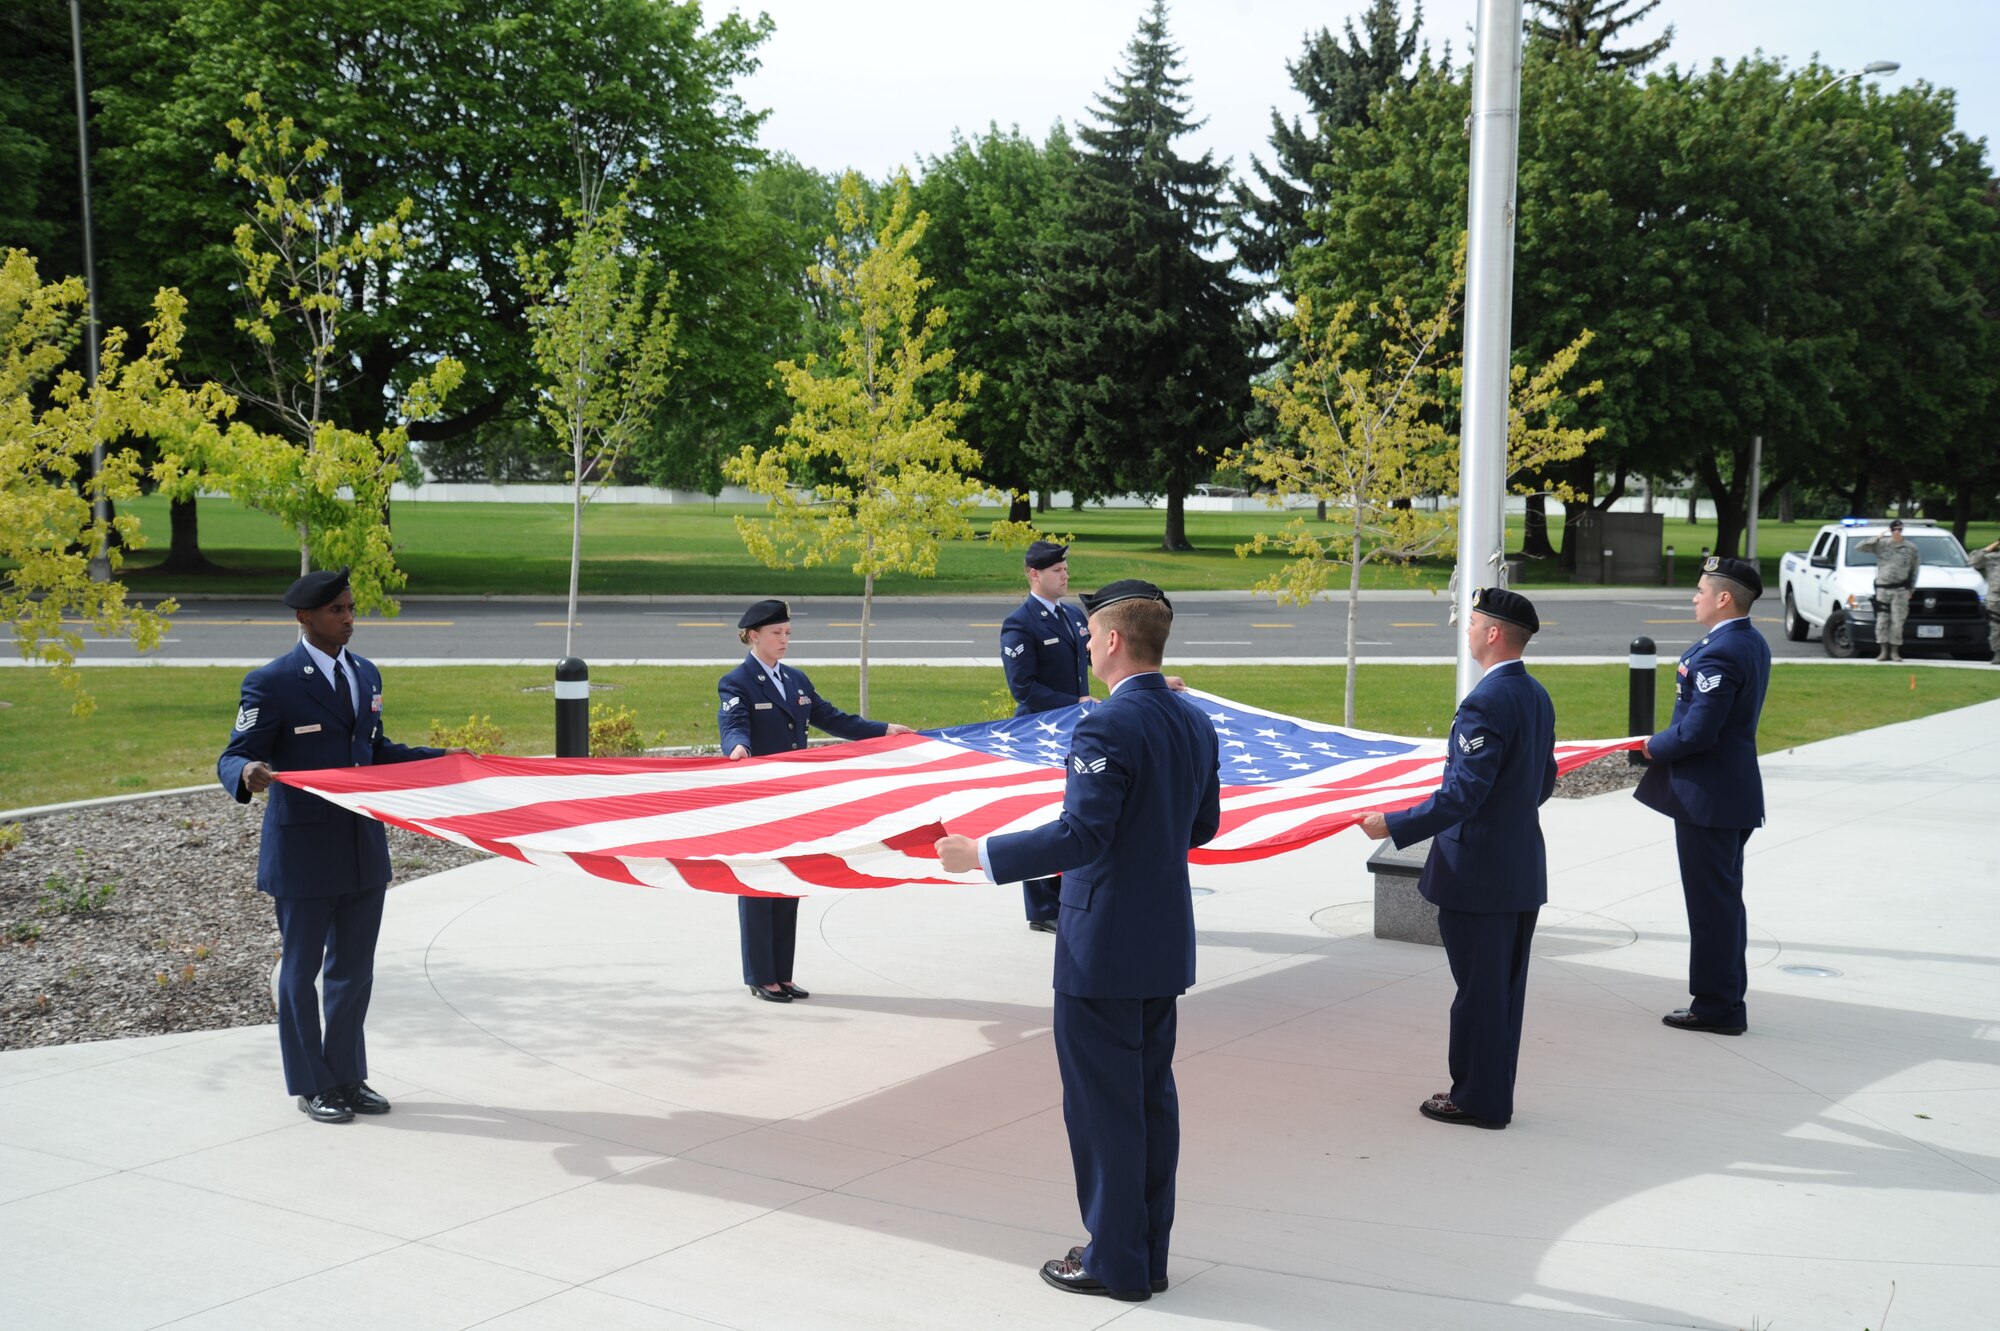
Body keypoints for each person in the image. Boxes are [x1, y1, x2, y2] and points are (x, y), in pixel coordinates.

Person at [936, 580, 1221, 1304]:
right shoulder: (1193, 720)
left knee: (1103, 1110)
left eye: (1091, 634)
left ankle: (1115, 1262)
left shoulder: (1104, 728)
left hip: (1103, 947)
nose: (1085, 644)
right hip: (1162, 941)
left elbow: (1082, 833)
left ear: (1116, 640)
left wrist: (983, 855)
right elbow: (1200, 826)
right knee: (1150, 1102)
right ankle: (1145, 1253)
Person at [216, 567, 451, 1124]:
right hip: (303, 855)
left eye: (350, 608)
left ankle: (347, 1076)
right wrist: (246, 770)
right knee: (300, 974)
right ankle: (311, 1083)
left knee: (353, 971)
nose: (349, 619)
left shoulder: (366, 674)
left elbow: (373, 751)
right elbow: (233, 754)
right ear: (305, 617)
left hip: (361, 847)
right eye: (337, 611)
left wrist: (442, 759)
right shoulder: (272, 681)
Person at [1359, 587, 1557, 1131]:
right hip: (1518, 868)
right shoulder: (1536, 695)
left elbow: (1462, 795)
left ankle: (1477, 1100)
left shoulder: (1485, 702)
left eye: (1471, 623)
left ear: (1494, 633)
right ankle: (1491, 1093)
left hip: (1478, 875)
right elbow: (1543, 780)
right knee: (1501, 993)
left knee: (1478, 995)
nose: (1465, 631)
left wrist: (1394, 823)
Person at [718, 599, 912, 1002]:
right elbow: (734, 724)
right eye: (776, 633)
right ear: (754, 636)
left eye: (788, 632)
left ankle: (782, 975)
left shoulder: (796, 680)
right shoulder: (737, 682)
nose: (785, 640)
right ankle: (760, 975)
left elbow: (834, 719)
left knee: (788, 881)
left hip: (796, 798)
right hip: (759, 799)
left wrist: (883, 730)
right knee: (757, 883)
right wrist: (737, 749)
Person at [1635, 555, 1773, 1036]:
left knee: (1712, 906)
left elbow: (1697, 732)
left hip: (1709, 798)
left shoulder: (1721, 651)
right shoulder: (1748, 641)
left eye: (1699, 591)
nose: (1693, 598)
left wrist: (1651, 746)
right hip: (1728, 794)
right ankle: (1724, 998)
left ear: (1723, 598)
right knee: (1723, 902)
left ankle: (1718, 1007)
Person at [1000, 539, 1093, 932]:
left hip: (1074, 729)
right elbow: (1024, 689)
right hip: (1039, 732)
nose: (1065, 576)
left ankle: (1066, 896)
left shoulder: (1072, 617)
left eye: (1066, 569)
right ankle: (1042, 909)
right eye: (1057, 571)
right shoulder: (1020, 623)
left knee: (1071, 811)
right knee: (1041, 818)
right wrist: (1077, 701)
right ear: (1034, 574)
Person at [1858, 519, 1920, 662]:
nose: (1897, 532)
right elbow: (1860, 547)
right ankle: (1883, 651)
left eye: (1900, 529)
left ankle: (1894, 652)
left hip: (1900, 589)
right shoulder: (1881, 545)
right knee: (1882, 621)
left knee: (1898, 622)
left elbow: (1915, 569)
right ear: (1890, 530)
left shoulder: (1910, 548)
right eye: (1894, 529)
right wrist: (1877, 538)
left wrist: (1911, 589)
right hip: (1883, 589)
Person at [1968, 538, 2000, 665]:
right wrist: (1992, 546)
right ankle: (1998, 653)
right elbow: (1972, 561)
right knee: (1996, 629)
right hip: (1995, 600)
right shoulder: (1992, 558)